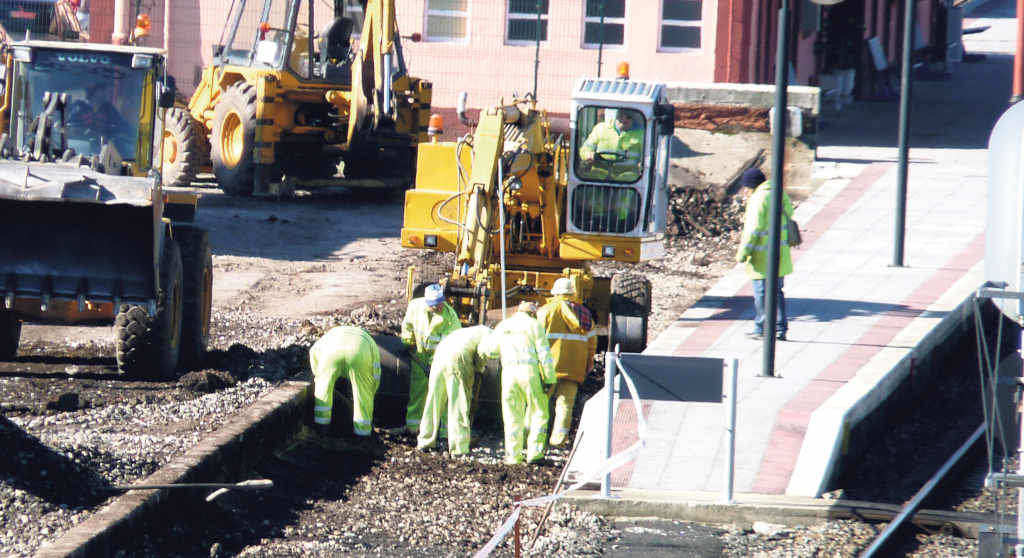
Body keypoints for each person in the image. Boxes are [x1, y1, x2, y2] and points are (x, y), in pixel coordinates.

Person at [481, 301, 556, 464]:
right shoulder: (535, 326)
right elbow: (544, 355)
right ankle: (534, 454)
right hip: (529, 373)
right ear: (532, 313)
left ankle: (513, 456)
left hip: (508, 374)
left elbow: (490, 351)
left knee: (512, 416)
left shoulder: (503, 325)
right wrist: (550, 379)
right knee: (539, 412)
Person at [735, 168, 794, 341]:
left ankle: (762, 328)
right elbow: (789, 214)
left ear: (752, 186)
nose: (745, 191)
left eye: (746, 187)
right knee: (777, 292)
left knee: (761, 294)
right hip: (780, 254)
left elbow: (753, 230)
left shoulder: (758, 199)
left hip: (762, 258)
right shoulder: (778, 193)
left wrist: (742, 253)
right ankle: (780, 328)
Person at [538, 277, 596, 447]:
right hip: (574, 367)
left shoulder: (546, 311)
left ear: (555, 293)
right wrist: (589, 362)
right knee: (565, 405)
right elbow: (592, 342)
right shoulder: (584, 314)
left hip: (549, 367)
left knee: (541, 402)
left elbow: (536, 337)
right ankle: (558, 439)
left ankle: (537, 437)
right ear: (573, 293)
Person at [416, 325, 491, 456]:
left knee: (434, 399)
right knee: (459, 402)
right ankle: (459, 447)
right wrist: (479, 368)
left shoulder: (470, 331)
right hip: (458, 357)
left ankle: (425, 441)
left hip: (440, 354)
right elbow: (483, 353)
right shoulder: (490, 335)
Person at [400, 283, 461, 434]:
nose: (438, 308)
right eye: (434, 305)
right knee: (417, 394)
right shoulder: (415, 307)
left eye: (440, 304)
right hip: (419, 358)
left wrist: (434, 365)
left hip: (440, 362)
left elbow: (451, 345)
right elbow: (407, 325)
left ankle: (443, 433)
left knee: (442, 396)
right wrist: (408, 342)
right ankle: (413, 427)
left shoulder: (450, 318)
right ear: (427, 303)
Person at [308, 325, 381, 437]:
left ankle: (321, 429)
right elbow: (375, 373)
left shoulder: (329, 334)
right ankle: (362, 434)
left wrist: (318, 376)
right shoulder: (369, 341)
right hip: (359, 353)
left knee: (323, 389)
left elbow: (313, 351)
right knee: (363, 395)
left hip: (330, 352)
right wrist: (371, 391)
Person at [578, 109, 644, 182]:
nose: (624, 119)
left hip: (627, 178)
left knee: (631, 178)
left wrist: (641, 164)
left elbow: (646, 158)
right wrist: (588, 155)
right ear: (616, 115)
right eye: (621, 115)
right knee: (589, 178)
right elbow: (586, 148)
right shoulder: (601, 128)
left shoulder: (641, 135)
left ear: (634, 118)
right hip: (600, 173)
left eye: (628, 117)